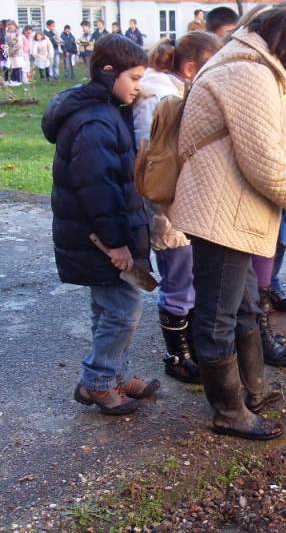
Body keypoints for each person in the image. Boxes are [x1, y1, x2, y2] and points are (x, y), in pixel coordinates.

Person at [168, 4, 286, 440]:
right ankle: (229, 411)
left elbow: (254, 151)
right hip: (220, 214)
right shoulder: (249, 73)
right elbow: (265, 167)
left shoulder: (252, 64)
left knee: (246, 305)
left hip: (233, 207)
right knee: (217, 317)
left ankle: (253, 392)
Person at [41, 34, 158, 415]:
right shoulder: (95, 122)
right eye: (134, 78)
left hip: (101, 236)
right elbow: (99, 191)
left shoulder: (109, 110)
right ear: (109, 72)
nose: (138, 88)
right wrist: (117, 243)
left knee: (108, 308)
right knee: (124, 309)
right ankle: (98, 380)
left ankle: (116, 373)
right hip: (100, 239)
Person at [132, 33, 224, 384]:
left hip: (184, 204)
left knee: (190, 280)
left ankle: (192, 346)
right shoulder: (163, 100)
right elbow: (159, 160)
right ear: (190, 69)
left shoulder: (170, 93)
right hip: (169, 207)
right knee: (179, 283)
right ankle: (177, 354)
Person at [5, 21, 25, 85]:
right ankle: (12, 80)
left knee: (17, 67)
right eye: (9, 25)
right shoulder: (7, 33)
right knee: (11, 67)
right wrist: (7, 52)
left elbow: (19, 45)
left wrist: (12, 52)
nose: (10, 26)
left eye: (11, 25)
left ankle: (18, 81)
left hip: (17, 54)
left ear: (15, 25)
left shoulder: (18, 34)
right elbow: (6, 44)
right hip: (9, 53)